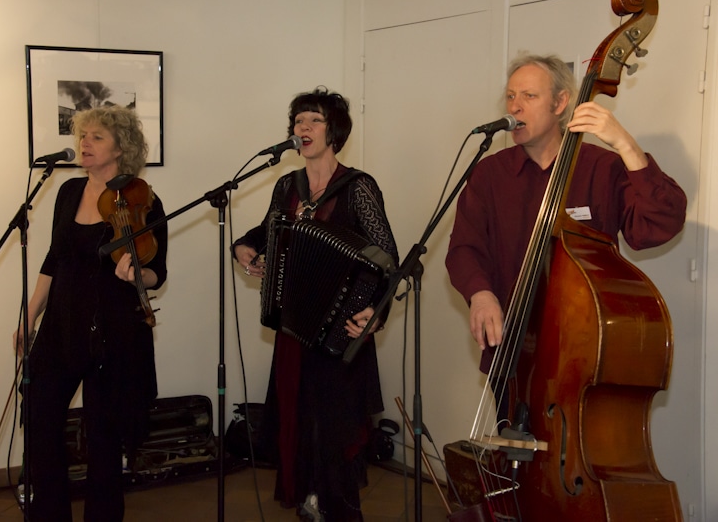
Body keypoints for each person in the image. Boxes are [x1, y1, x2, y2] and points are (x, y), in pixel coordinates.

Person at [445, 53, 686, 413]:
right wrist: (480, 294)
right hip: (512, 351)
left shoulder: (602, 167)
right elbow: (464, 247)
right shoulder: (489, 174)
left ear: (560, 104)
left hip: (586, 354)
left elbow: (657, 225)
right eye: (511, 96)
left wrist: (626, 145)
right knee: (510, 444)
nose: (515, 106)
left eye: (529, 96)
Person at [232, 86, 399, 521]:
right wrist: (242, 246)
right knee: (300, 426)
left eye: (314, 120)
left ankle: (339, 511)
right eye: (298, 120)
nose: (303, 127)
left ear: (334, 131)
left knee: (335, 435)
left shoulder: (358, 187)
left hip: (342, 329)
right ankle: (312, 504)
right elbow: (267, 231)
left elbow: (387, 259)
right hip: (294, 327)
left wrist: (375, 312)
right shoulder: (288, 186)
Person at [13, 106, 168, 522]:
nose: (85, 143)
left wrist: (137, 273)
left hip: (113, 332)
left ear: (121, 148)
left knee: (103, 438)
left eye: (97, 137)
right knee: (40, 419)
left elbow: (157, 273)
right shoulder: (68, 192)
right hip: (61, 325)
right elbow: (54, 258)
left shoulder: (143, 202)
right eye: (83, 135)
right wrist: (29, 315)